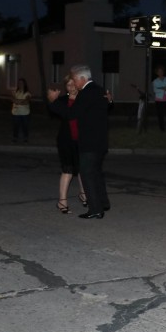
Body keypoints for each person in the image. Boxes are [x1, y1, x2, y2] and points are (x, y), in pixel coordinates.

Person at [47, 65, 111, 220]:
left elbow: (71, 114)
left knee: (88, 174)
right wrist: (110, 101)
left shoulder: (86, 93)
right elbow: (105, 107)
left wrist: (53, 101)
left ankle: (95, 209)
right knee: (96, 173)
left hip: (89, 141)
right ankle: (103, 203)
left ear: (82, 78)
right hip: (100, 141)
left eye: (75, 80)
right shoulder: (99, 89)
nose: (74, 83)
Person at [49, 77, 87, 214]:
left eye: (74, 84)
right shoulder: (62, 101)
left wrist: (109, 100)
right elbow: (56, 111)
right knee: (68, 170)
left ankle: (83, 194)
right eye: (69, 85)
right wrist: (52, 100)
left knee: (82, 168)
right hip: (66, 140)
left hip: (82, 140)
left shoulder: (84, 99)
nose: (72, 87)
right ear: (66, 87)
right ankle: (62, 201)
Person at [11, 78, 31, 143]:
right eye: (19, 83)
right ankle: (15, 137)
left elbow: (26, 102)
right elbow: (12, 99)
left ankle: (26, 138)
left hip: (24, 113)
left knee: (25, 126)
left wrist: (17, 101)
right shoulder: (15, 92)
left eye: (21, 83)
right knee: (15, 126)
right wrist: (21, 101)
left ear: (24, 84)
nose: (20, 84)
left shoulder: (27, 93)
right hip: (15, 112)